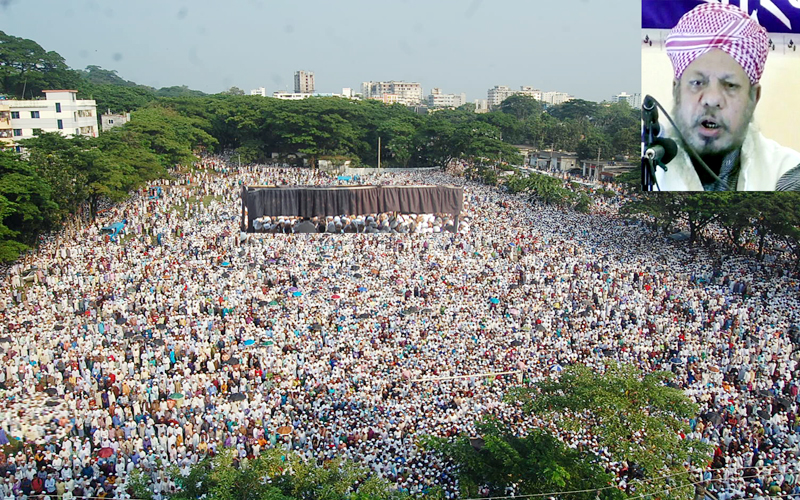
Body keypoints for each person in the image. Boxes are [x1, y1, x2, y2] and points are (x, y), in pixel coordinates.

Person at [653, 2, 800, 191]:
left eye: (730, 85)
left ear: (754, 97)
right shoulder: (647, 167)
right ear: (676, 92)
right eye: (697, 82)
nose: (712, 99)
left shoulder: (787, 173)